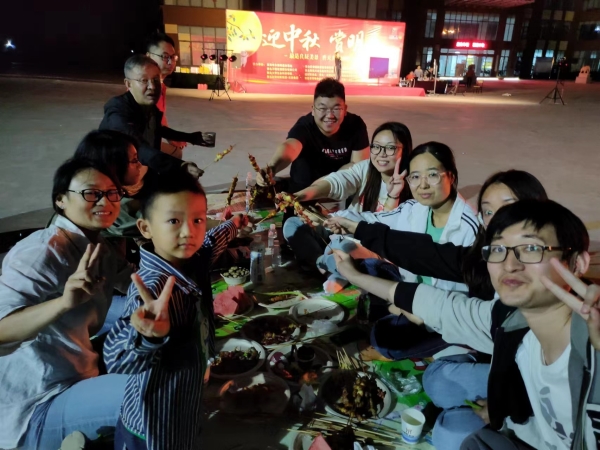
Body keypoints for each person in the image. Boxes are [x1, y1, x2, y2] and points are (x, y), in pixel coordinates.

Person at [333, 199, 600, 450]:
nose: (509, 264)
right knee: (453, 429)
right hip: (525, 431)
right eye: (498, 249)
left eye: (531, 248)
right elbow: (441, 306)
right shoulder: (510, 320)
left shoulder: (593, 347)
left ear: (578, 263)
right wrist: (354, 276)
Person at [104, 173, 248, 450]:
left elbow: (210, 243)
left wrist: (233, 224)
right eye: (173, 221)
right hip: (156, 426)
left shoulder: (191, 257)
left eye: (198, 220)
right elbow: (117, 361)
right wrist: (147, 337)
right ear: (145, 228)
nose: (188, 232)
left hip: (188, 398)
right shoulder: (152, 289)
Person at [0, 158, 134, 449]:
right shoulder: (41, 252)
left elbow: (137, 284)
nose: (105, 201)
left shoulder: (99, 246)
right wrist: (63, 303)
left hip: (78, 374)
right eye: (91, 193)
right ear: (60, 200)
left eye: (112, 193)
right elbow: (2, 330)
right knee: (152, 393)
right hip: (39, 403)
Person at [321, 141, 478, 294]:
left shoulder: (471, 228)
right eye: (415, 177)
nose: (423, 185)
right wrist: (332, 218)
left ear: (451, 176)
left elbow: (472, 289)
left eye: (432, 175)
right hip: (406, 291)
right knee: (343, 249)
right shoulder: (413, 209)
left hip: (440, 304)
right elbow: (374, 220)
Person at [282, 122, 412, 270]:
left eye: (390, 148)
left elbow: (386, 231)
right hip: (342, 231)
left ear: (405, 150)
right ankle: (322, 263)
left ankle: (329, 265)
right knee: (293, 224)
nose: (381, 154)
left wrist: (393, 196)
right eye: (376, 147)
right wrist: (299, 196)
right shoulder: (366, 168)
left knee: (342, 246)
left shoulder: (413, 183)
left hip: (369, 247)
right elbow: (337, 181)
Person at [99, 55, 214, 179]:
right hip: (113, 176)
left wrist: (193, 138)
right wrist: (179, 166)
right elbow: (138, 147)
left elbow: (158, 129)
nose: (152, 86)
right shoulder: (118, 110)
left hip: (140, 168)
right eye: (144, 81)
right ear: (128, 84)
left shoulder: (149, 107)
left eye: (155, 80)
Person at [256, 78, 369, 193]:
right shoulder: (304, 126)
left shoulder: (355, 125)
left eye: (336, 108)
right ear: (313, 110)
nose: (330, 115)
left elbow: (358, 165)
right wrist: (272, 168)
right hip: (300, 193)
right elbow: (290, 147)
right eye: (322, 108)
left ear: (345, 110)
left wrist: (326, 184)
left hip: (339, 191)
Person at [74, 129, 157, 239]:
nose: (139, 165)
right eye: (134, 160)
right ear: (114, 165)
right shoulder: (111, 204)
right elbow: (156, 228)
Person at [145, 31, 187, 159]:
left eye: (173, 57)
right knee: (175, 155)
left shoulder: (161, 85)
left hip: (145, 139)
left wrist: (172, 137)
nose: (170, 62)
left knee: (175, 153)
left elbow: (160, 117)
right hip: (133, 143)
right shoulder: (146, 86)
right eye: (164, 57)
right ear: (148, 57)